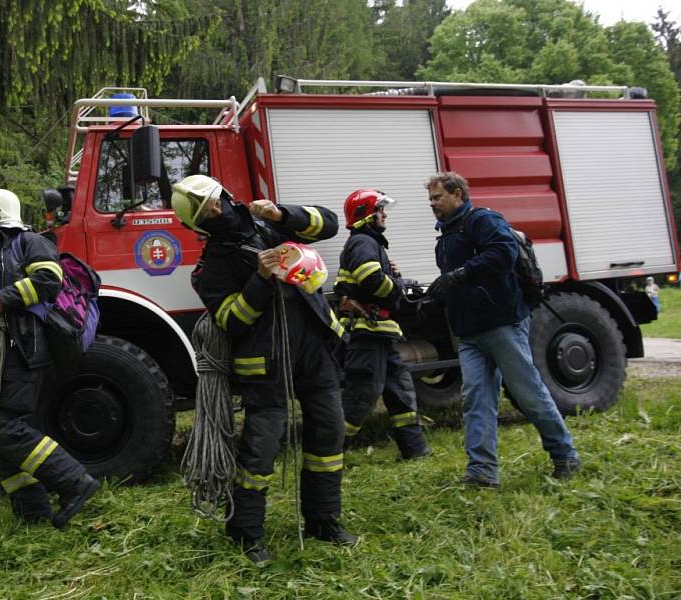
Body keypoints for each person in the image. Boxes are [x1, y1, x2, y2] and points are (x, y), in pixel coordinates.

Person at [171, 175, 356, 563]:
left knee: (329, 431)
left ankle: (324, 521)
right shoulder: (211, 269)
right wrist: (259, 278)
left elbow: (329, 223)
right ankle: (245, 532)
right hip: (266, 364)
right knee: (261, 449)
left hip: (314, 348)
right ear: (197, 225)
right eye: (206, 211)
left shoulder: (268, 223)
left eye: (216, 199)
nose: (217, 209)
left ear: (225, 192)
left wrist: (281, 212)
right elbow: (232, 320)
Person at [0, 188, 99, 527]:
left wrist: (4, 299)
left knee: (5, 431)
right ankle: (33, 514)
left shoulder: (29, 243)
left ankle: (74, 482)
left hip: (23, 351)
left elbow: (49, 279)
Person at [425, 172, 580, 487]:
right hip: (468, 333)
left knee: (528, 393)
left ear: (457, 194)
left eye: (437, 197)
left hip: (502, 324)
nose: (433, 204)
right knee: (475, 399)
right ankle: (482, 472)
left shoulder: (483, 221)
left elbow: (504, 254)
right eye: (430, 199)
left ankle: (565, 455)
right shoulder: (447, 234)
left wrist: (459, 275)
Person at [335, 188, 431, 460]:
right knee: (361, 396)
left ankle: (416, 452)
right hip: (367, 334)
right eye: (379, 210)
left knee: (400, 391)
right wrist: (399, 285)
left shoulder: (369, 243)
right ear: (366, 216)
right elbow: (372, 281)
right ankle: (327, 455)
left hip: (381, 333)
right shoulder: (363, 242)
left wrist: (395, 275)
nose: (384, 214)